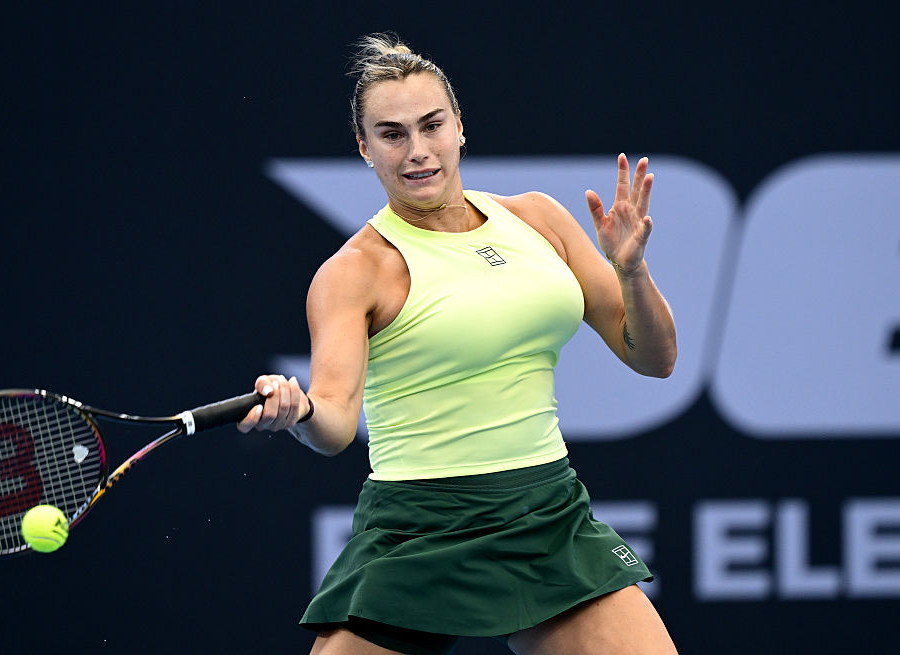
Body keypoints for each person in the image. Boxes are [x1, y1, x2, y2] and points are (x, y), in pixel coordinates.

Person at [237, 33, 679, 655]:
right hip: (420, 528)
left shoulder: (538, 220)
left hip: (546, 514)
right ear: (365, 149)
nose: (417, 152)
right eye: (392, 135)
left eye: (431, 125)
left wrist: (631, 272)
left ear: (459, 127)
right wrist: (301, 410)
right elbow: (335, 420)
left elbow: (654, 359)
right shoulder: (354, 272)